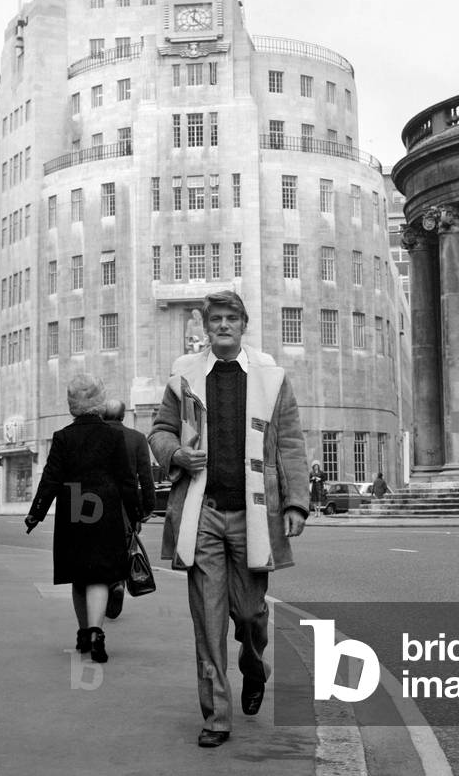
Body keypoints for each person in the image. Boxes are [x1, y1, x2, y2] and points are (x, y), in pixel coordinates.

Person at [149, 290, 309, 748]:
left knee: (249, 612)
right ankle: (217, 716)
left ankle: (254, 663)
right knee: (208, 620)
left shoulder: (271, 377)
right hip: (203, 514)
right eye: (214, 318)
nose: (222, 325)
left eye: (230, 319)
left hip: (252, 516)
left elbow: (291, 444)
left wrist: (296, 503)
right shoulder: (183, 375)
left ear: (243, 324)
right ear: (205, 324)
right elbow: (159, 431)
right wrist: (176, 452)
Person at [25, 374, 141, 664]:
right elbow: (127, 480)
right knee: (101, 576)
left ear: (72, 404)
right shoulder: (115, 436)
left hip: (75, 508)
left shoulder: (63, 437)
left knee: (79, 574)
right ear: (99, 401)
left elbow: (51, 479)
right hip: (106, 509)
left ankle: (82, 633)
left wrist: (35, 514)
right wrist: (135, 514)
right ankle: (97, 633)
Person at [99, 399, 156, 620]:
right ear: (124, 416)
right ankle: (119, 583)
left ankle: (107, 584)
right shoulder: (137, 438)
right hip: (126, 505)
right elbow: (146, 476)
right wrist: (147, 508)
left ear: (103, 416)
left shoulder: (96, 436)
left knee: (101, 547)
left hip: (98, 503)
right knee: (125, 544)